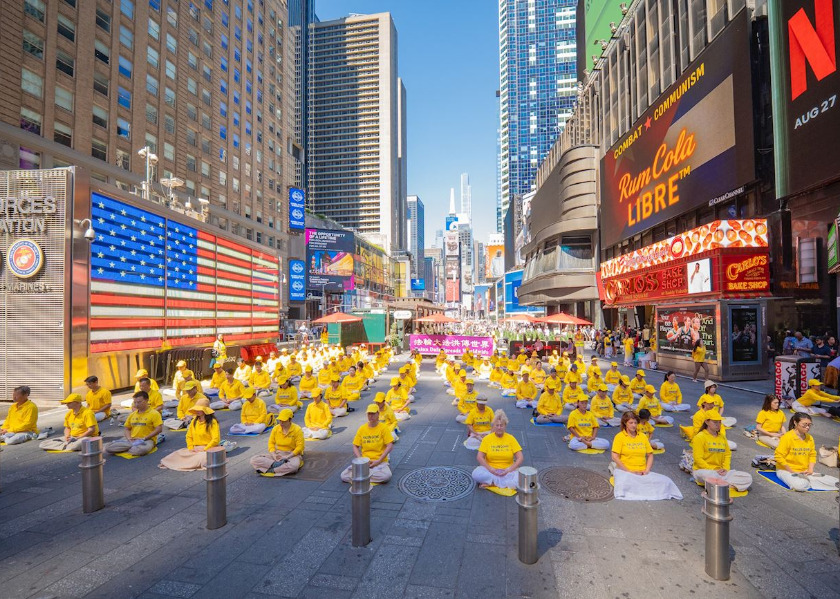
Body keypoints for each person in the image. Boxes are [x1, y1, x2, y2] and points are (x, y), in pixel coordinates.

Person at [610, 411, 683, 501]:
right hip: (626, 472)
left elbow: (650, 455)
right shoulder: (619, 436)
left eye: (635, 423)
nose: (633, 425)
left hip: (642, 472)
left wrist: (647, 470)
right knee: (626, 484)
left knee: (666, 481)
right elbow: (614, 457)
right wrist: (628, 471)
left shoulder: (643, 436)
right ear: (625, 423)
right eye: (631, 423)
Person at [775, 413, 840, 491]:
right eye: (804, 424)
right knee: (800, 485)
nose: (808, 427)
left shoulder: (810, 438)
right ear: (795, 423)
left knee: (836, 482)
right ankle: (810, 481)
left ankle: (809, 481)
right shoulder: (787, 437)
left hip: (804, 472)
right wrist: (792, 471)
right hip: (786, 470)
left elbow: (812, 455)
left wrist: (810, 470)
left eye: (809, 425)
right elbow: (779, 457)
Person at [691, 411, 752, 491]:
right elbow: (698, 459)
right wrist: (713, 470)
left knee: (747, 477)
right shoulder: (699, 437)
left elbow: (727, 454)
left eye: (719, 422)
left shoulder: (721, 437)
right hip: (705, 471)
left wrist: (726, 469)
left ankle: (720, 484)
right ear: (707, 422)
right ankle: (725, 484)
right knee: (708, 475)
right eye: (715, 422)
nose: (718, 424)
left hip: (721, 472)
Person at [159, 399, 220, 471]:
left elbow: (216, 439)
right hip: (195, 449)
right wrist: (191, 448)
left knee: (203, 457)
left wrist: (205, 449)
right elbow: (189, 436)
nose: (197, 411)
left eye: (199, 409)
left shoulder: (212, 422)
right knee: (178, 454)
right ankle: (188, 462)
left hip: (208, 449)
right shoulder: (194, 420)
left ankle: (190, 462)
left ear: (205, 410)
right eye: (196, 409)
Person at [340, 404, 395, 483]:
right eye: (369, 414)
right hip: (365, 462)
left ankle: (361, 477)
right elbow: (355, 446)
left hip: (379, 461)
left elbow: (390, 445)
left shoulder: (383, 428)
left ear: (378, 414)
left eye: (373, 413)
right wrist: (361, 460)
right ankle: (366, 475)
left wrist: (379, 461)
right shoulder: (362, 428)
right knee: (343, 476)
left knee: (386, 476)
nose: (371, 416)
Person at [472, 410, 524, 489]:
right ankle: (505, 483)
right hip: (491, 471)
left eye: (501, 425)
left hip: (508, 471)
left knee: (521, 478)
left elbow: (520, 457)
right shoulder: (487, 439)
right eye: (497, 425)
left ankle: (493, 483)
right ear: (493, 426)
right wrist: (491, 469)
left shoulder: (511, 438)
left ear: (505, 426)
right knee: (476, 474)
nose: (499, 427)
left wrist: (509, 470)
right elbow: (479, 457)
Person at [105, 391, 162, 456]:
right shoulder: (132, 414)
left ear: (147, 400)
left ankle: (129, 448)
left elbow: (159, 429)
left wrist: (144, 438)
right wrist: (129, 439)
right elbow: (127, 429)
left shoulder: (154, 413)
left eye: (139, 402)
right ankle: (131, 447)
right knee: (108, 447)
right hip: (132, 439)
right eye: (135, 402)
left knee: (140, 450)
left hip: (147, 440)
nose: (136, 404)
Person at [250, 408, 304, 476]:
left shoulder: (297, 429)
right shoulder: (276, 428)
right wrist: (274, 455)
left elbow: (300, 447)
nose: (281, 423)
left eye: (284, 421)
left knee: (294, 466)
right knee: (253, 459)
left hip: (292, 455)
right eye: (280, 420)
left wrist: (287, 456)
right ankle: (275, 465)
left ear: (290, 420)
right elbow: (271, 443)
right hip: (278, 453)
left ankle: (271, 469)